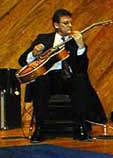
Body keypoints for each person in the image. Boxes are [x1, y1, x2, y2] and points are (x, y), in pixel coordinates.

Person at [19, 9, 106, 143]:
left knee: (81, 79)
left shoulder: (75, 41)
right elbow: (22, 60)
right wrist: (34, 54)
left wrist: (81, 46)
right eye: (65, 23)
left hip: (69, 79)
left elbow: (82, 68)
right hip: (49, 78)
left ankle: (81, 128)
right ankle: (40, 129)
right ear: (56, 25)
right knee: (41, 80)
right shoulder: (43, 38)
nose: (70, 26)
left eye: (71, 23)